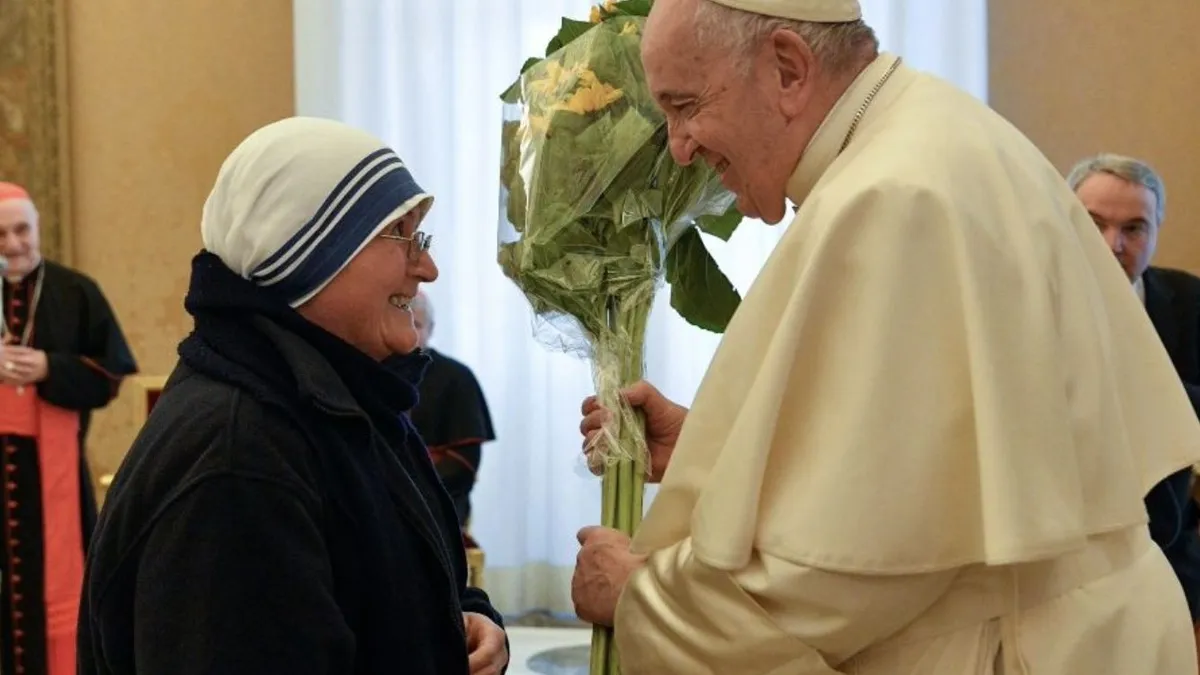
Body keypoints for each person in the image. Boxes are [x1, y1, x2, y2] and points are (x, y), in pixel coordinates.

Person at [570, 0, 1200, 673]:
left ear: (788, 68)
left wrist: (643, 596)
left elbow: (840, 573)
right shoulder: (926, 136)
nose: (678, 146)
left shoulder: (896, 195)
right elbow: (928, 465)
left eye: (686, 105)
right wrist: (716, 453)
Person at [76, 117, 508, 675]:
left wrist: (462, 619)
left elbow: (387, 580)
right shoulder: (239, 457)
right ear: (310, 251)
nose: (427, 268)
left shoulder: (342, 399)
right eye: (401, 237)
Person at [0, 181, 136, 675]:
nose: (14, 244)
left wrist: (49, 368)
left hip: (53, 481)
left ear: (38, 228)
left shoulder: (75, 291)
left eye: (22, 230)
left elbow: (112, 372)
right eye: (0, 235)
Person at [1068, 152, 1200, 636]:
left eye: (1134, 228)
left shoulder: (1189, 301)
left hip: (1168, 550)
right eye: (1094, 224)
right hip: (1066, 556)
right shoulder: (1029, 302)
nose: (1113, 245)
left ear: (1157, 230)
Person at [408, 291, 496, 528]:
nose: (409, 331)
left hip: (437, 501)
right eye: (402, 321)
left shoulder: (457, 377)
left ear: (431, 329)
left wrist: (408, 483)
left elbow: (463, 464)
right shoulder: (373, 371)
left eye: (416, 324)